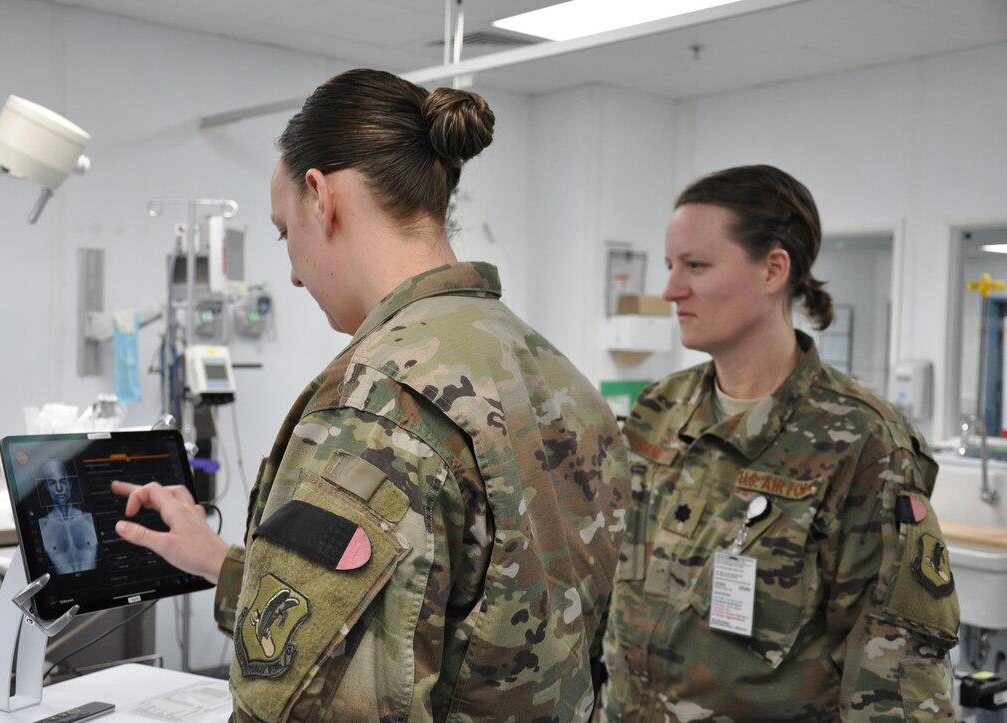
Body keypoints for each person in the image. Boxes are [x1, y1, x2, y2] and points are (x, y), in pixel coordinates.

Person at [112, 68, 629, 721]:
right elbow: (453, 616)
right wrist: (219, 562)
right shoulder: (560, 378)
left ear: (320, 196)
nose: (292, 274)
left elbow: (318, 701)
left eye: (283, 232)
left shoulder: (376, 404)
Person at [597, 164, 960, 720]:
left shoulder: (863, 443)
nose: (671, 290)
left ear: (773, 269)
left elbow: (897, 683)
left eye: (696, 265)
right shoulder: (658, 409)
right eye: (671, 266)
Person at [37, 458, 98, 574]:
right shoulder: (43, 525)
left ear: (69, 484)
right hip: (65, 584)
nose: (59, 488)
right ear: (47, 487)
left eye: (63, 481)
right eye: (52, 483)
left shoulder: (88, 519)